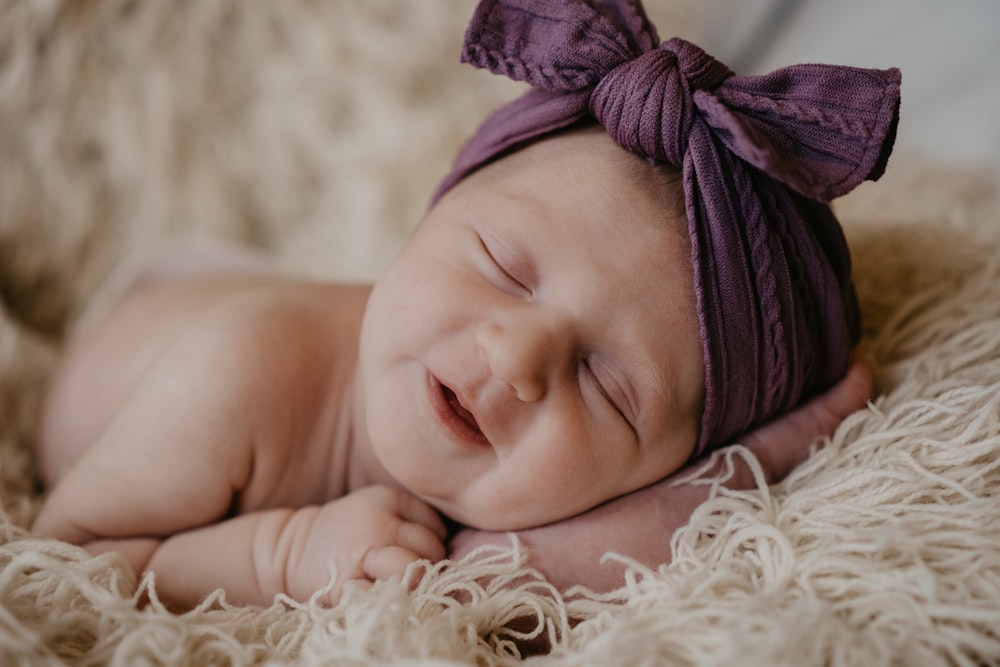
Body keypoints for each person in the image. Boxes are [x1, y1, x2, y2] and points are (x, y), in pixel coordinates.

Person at [31, 0, 898, 609]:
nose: (517, 358)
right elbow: (65, 560)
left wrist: (777, 447)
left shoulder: (517, 485)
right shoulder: (238, 372)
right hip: (154, 327)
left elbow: (538, 565)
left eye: (609, 389)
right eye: (500, 269)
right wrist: (282, 556)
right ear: (433, 212)